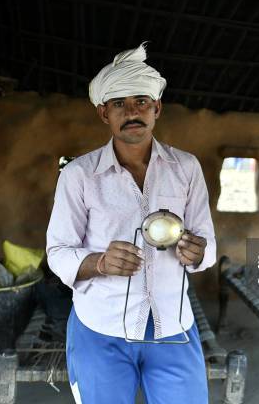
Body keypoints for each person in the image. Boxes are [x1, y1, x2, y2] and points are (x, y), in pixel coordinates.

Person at [46, 42, 216, 404]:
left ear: (157, 108)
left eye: (141, 101)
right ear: (103, 113)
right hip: (101, 328)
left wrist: (196, 252)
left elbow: (208, 245)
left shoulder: (186, 169)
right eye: (119, 104)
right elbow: (57, 252)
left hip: (173, 326)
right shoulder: (80, 175)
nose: (132, 112)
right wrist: (99, 263)